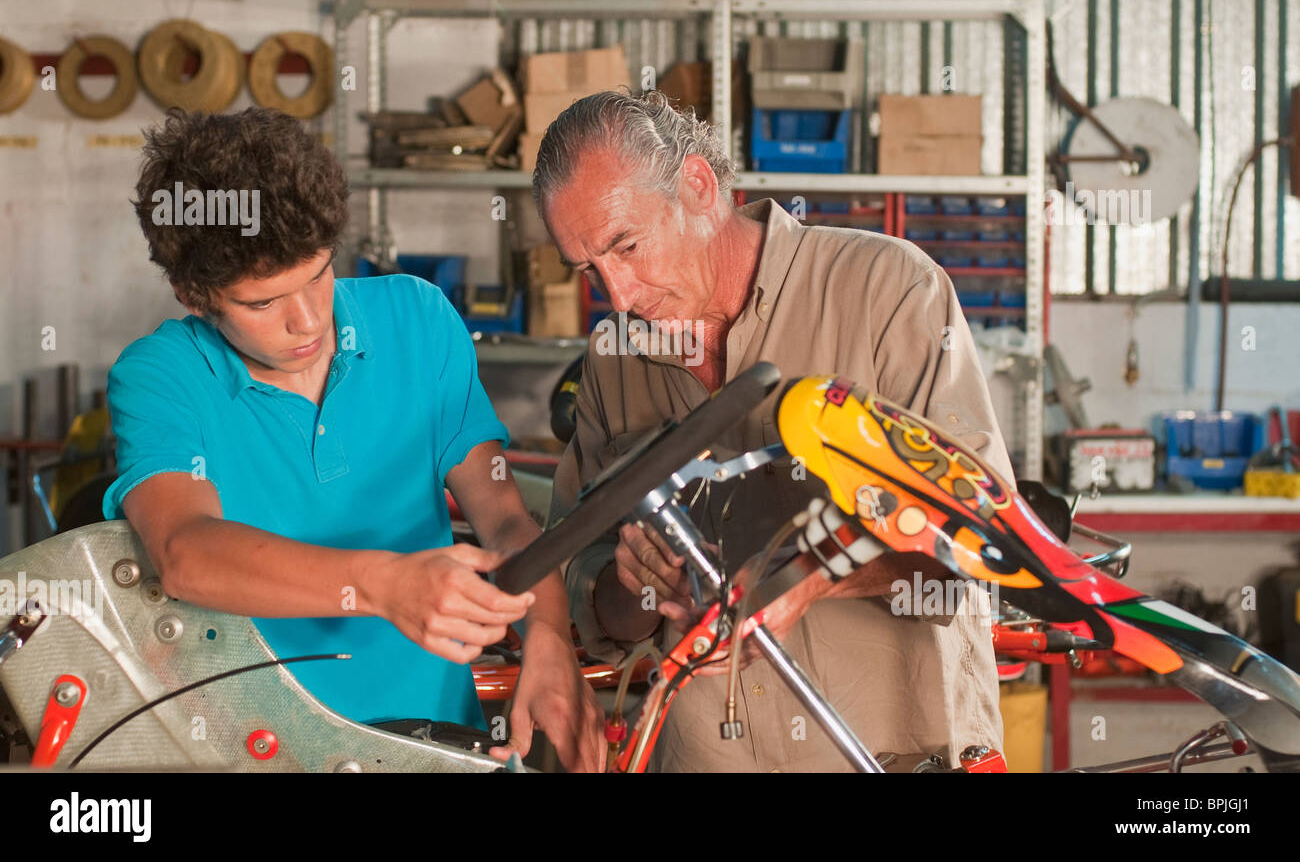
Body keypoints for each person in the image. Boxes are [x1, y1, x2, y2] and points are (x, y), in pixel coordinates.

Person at [102, 107, 604, 771]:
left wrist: (547, 632)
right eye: (263, 303)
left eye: (318, 272)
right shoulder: (160, 377)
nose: (308, 319)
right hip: (251, 749)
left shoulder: (418, 320)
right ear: (193, 293)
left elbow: (507, 520)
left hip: (433, 744)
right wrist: (385, 585)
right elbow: (185, 551)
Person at [535, 90, 1011, 772]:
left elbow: (984, 533)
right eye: (588, 267)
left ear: (698, 187)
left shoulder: (889, 292)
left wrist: (811, 574)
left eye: (627, 246)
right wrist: (630, 583)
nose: (619, 294)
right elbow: (586, 586)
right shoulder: (614, 360)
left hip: (895, 754)